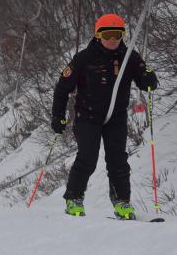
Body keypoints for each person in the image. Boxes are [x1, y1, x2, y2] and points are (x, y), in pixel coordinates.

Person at [51, 14, 158, 219]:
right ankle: (73, 199)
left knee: (118, 159)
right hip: (87, 116)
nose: (112, 39)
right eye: (107, 34)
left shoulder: (129, 57)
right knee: (88, 157)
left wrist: (149, 78)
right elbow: (63, 87)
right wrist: (58, 116)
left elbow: (147, 79)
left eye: (117, 34)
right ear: (98, 35)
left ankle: (122, 202)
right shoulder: (84, 58)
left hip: (115, 117)